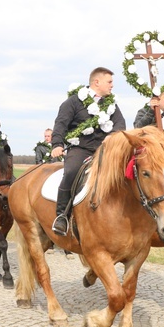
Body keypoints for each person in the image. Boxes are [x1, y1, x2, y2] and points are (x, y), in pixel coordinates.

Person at [50, 67, 126, 236]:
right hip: (80, 149)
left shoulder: (111, 104)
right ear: (96, 82)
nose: (112, 85)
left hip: (105, 151)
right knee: (71, 172)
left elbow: (121, 125)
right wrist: (56, 145)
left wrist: (113, 135)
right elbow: (60, 124)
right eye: (110, 82)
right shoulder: (73, 102)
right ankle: (62, 215)